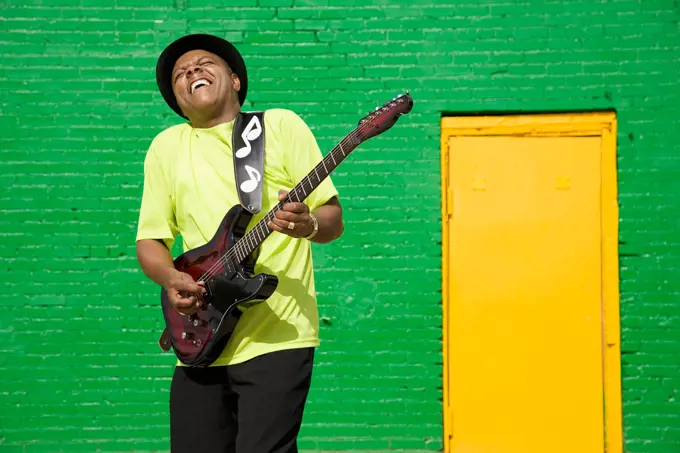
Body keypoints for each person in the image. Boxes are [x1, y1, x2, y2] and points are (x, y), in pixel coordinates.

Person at [135, 33, 344, 453]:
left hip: (278, 332)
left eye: (203, 63)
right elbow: (150, 240)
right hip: (201, 335)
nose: (191, 70)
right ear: (177, 100)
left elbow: (332, 218)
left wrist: (306, 226)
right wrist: (172, 278)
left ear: (234, 80)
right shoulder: (167, 147)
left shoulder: (281, 125)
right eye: (180, 73)